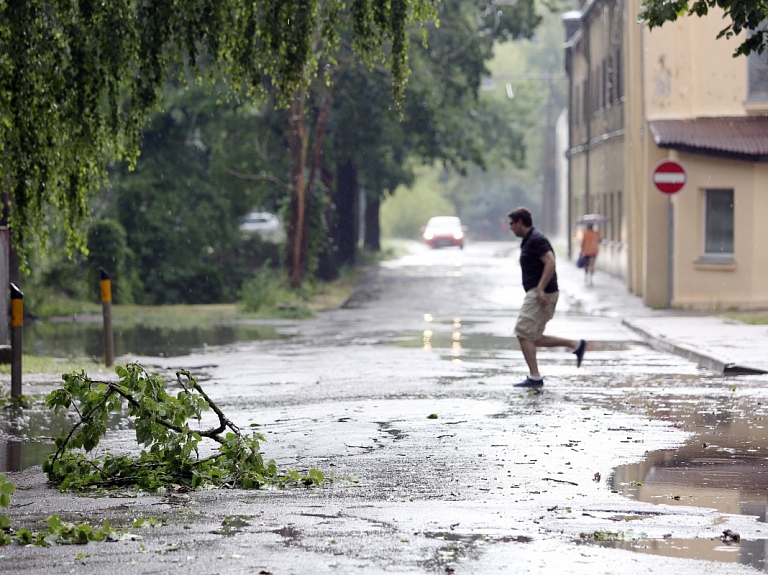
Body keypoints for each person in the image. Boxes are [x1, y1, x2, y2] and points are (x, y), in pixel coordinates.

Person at [508, 207, 587, 387]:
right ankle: (575, 345)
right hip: (537, 292)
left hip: (541, 293)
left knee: (523, 332)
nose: (510, 228)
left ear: (520, 222)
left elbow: (550, 261)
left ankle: (535, 377)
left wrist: (541, 289)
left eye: (512, 224)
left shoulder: (537, 239)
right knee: (531, 337)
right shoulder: (530, 240)